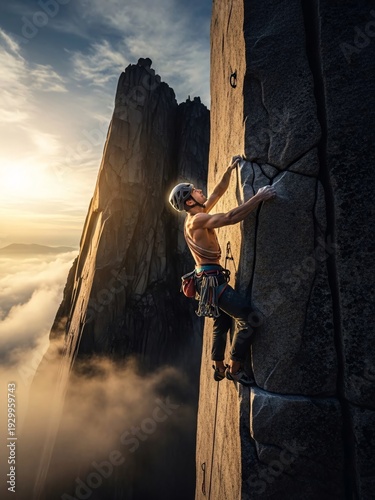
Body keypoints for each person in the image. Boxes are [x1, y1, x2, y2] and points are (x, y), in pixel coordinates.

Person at [169, 155, 276, 386]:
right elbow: (230, 217)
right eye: (194, 191)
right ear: (189, 202)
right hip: (212, 282)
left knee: (222, 321)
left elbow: (217, 193)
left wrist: (229, 170)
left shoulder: (195, 216)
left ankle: (217, 366)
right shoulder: (197, 220)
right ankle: (234, 370)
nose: (199, 190)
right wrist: (258, 198)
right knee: (248, 318)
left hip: (205, 279)